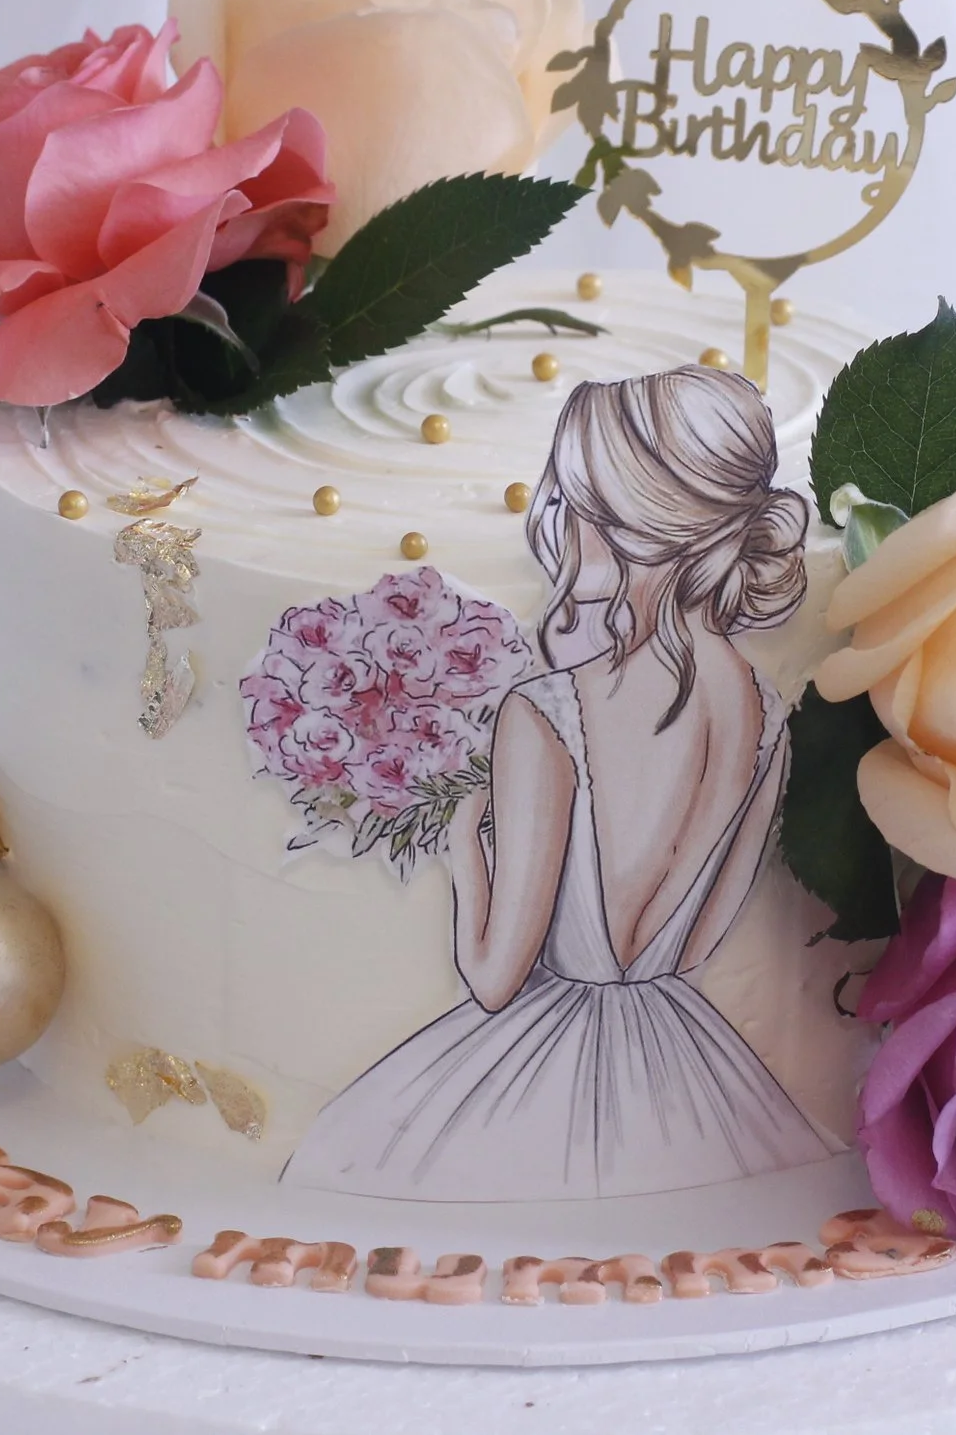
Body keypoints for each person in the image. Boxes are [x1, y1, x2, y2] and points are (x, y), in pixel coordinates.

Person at [282, 367, 836, 1200]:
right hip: (688, 1067)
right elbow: (694, 946)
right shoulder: (762, 704)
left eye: (572, 497)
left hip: (541, 1069)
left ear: (626, 518)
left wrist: (468, 849)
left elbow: (498, 977)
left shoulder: (546, 712)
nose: (557, 520)